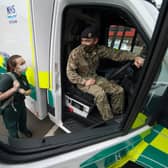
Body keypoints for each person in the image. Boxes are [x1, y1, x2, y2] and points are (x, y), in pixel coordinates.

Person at [66, 26, 144, 121]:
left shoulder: (98, 49)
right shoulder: (76, 53)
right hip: (82, 81)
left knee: (118, 90)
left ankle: (118, 115)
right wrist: (84, 81)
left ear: (95, 41)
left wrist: (135, 57)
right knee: (100, 94)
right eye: (83, 41)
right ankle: (109, 121)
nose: (84, 43)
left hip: (95, 77)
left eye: (87, 41)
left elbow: (116, 54)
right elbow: (70, 72)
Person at [0, 55, 32, 138]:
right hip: (10, 108)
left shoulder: (23, 77)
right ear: (14, 67)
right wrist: (14, 89)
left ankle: (23, 130)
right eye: (22, 63)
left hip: (21, 104)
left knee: (23, 120)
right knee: (12, 127)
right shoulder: (7, 78)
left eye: (24, 62)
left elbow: (28, 90)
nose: (25, 64)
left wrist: (25, 92)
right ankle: (15, 141)